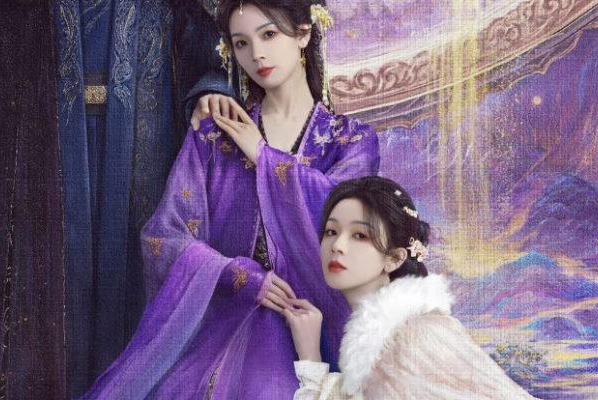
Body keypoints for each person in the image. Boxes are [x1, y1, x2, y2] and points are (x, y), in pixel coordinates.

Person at [81, 1, 381, 398]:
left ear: (304, 33)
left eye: (269, 34)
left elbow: (346, 225)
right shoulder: (213, 135)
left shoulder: (352, 141)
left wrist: (263, 157)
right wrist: (237, 275)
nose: (257, 54)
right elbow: (163, 237)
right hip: (227, 324)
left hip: (318, 325)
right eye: (241, 43)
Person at [284, 176, 539, 399]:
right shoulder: (378, 339)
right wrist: (310, 355)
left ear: (395, 258)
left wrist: (310, 362)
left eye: (360, 235)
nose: (337, 246)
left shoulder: (418, 334)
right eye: (331, 231)